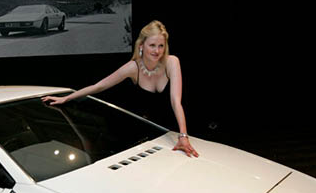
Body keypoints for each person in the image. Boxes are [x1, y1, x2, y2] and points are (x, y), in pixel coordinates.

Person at [42, 20, 199, 157]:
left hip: (171, 132)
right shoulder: (133, 67)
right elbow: (99, 86)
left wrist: (183, 135)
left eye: (161, 46)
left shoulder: (172, 62)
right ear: (141, 45)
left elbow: (175, 101)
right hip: (143, 136)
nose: (157, 51)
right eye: (152, 45)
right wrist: (67, 98)